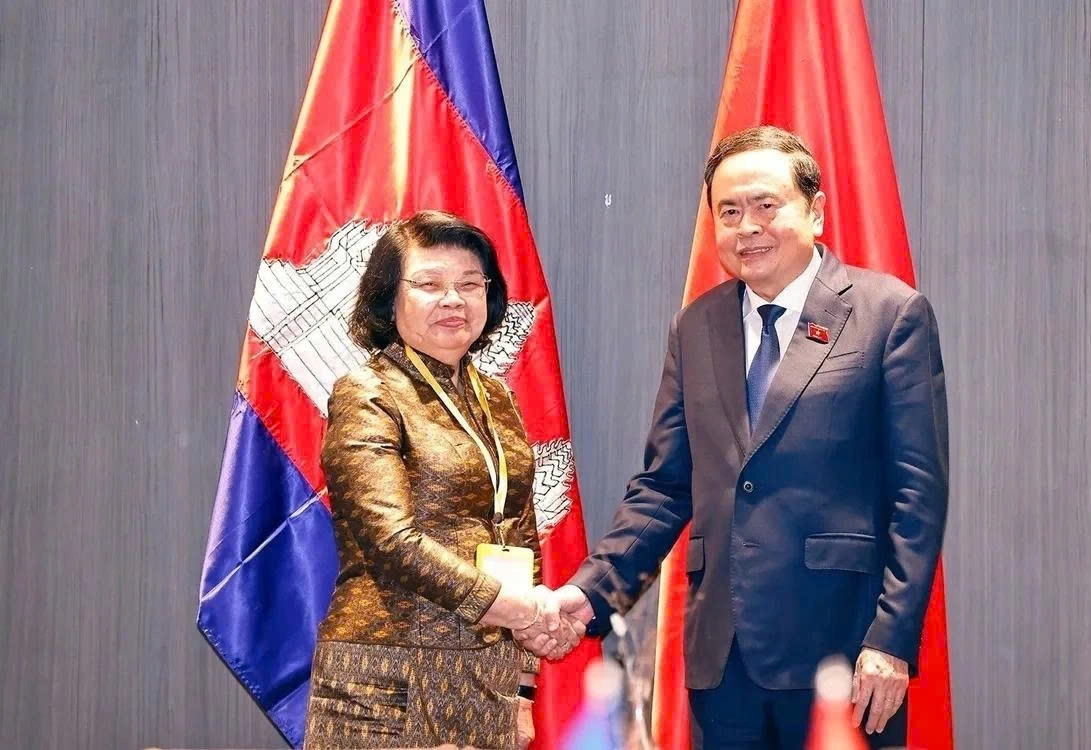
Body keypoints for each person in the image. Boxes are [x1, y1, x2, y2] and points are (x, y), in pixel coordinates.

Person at [553, 126, 949, 748]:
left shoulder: (888, 314)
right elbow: (664, 487)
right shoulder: (698, 325)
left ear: (815, 211)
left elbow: (917, 497)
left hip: (841, 651)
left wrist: (891, 642)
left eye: (766, 205)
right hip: (723, 656)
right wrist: (589, 593)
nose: (747, 227)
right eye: (729, 212)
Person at [304, 210, 581, 750]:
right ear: (389, 298)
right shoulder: (368, 393)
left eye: (470, 285)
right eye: (430, 284)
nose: (453, 300)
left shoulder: (495, 396)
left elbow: (519, 538)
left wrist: (523, 689)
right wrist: (518, 608)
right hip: (387, 672)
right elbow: (389, 540)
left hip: (487, 675)